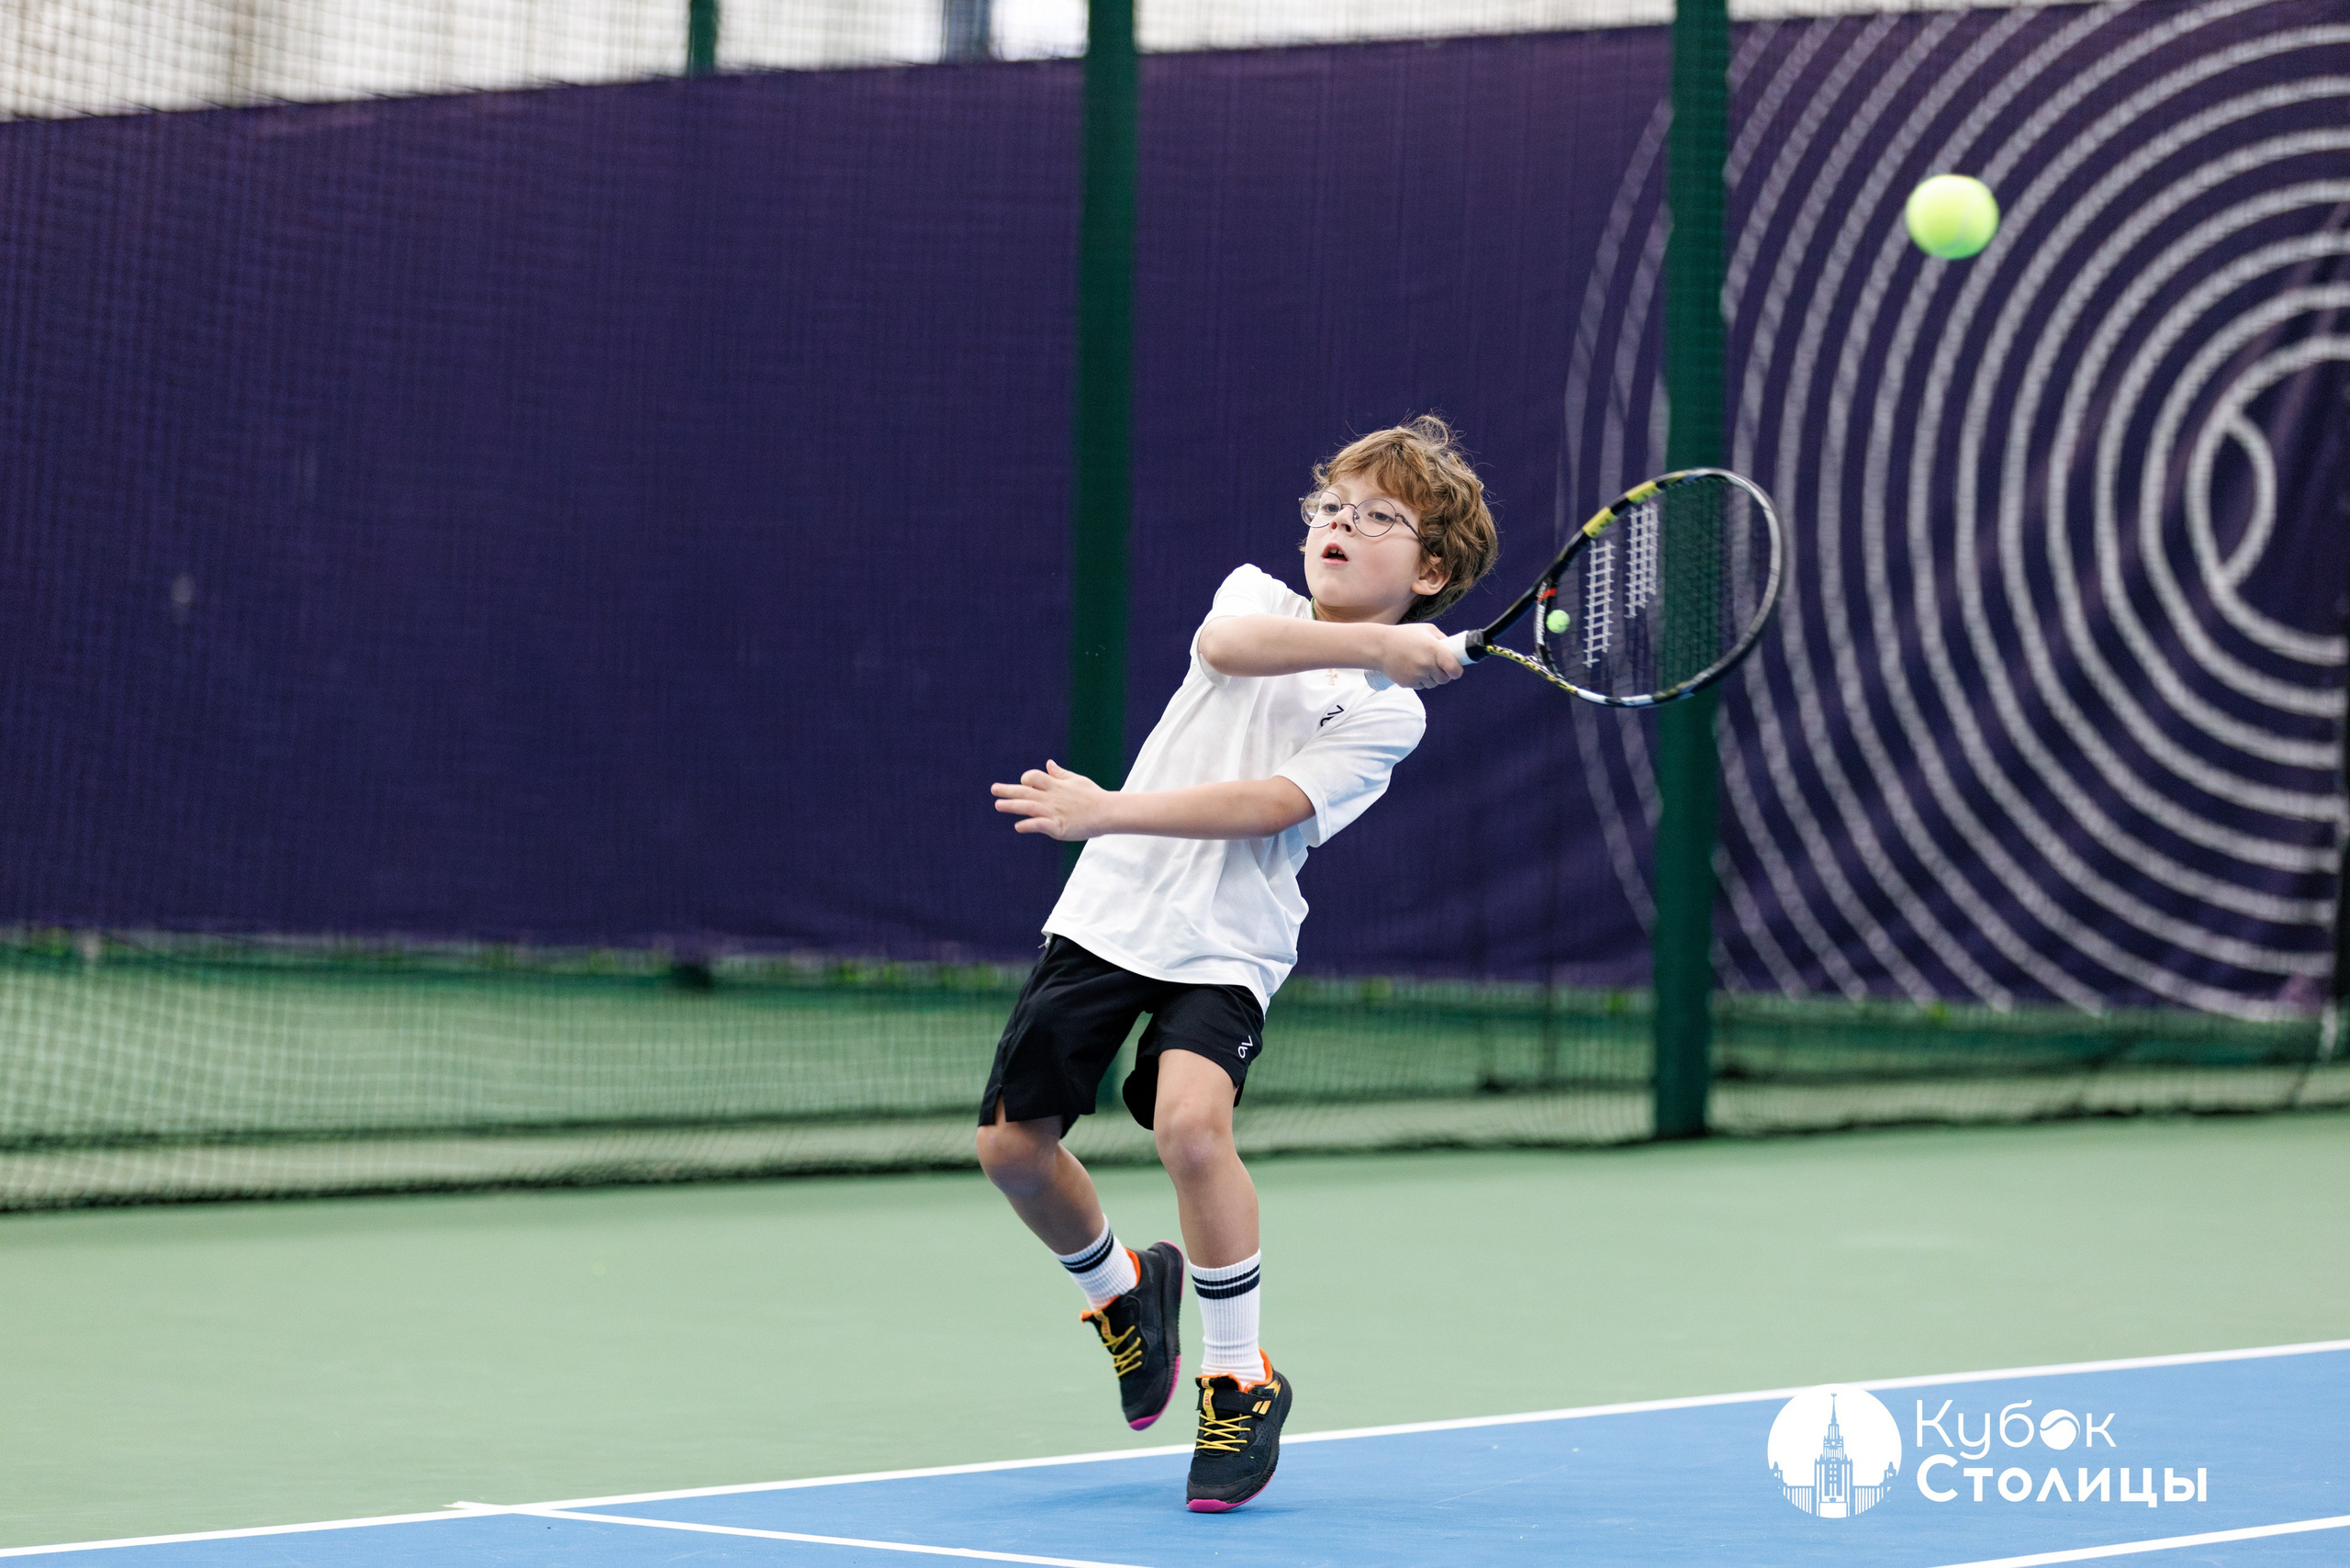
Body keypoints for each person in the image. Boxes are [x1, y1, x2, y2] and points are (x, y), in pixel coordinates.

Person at [977, 415, 1501, 1511]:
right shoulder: (1255, 598)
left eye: (1379, 517)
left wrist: (1110, 809)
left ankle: (1236, 1376)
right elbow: (1227, 650)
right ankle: (1125, 1293)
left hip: (1229, 940)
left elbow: (1268, 804)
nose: (1340, 524)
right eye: (1330, 507)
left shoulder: (1390, 719)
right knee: (1012, 1150)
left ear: (1431, 570)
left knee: (1189, 1126)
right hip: (1111, 913)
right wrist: (1377, 644)